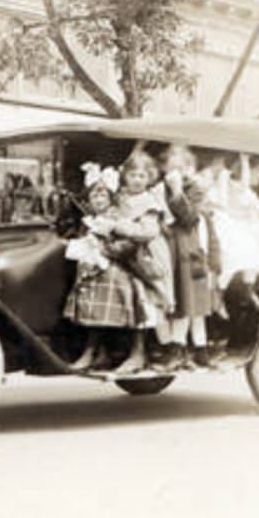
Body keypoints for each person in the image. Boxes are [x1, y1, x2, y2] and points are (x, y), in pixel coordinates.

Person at [63, 164, 135, 370]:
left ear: (111, 198)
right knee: (85, 287)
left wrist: (105, 250)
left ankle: (91, 350)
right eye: (94, 196)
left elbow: (126, 244)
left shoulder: (115, 218)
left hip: (111, 264)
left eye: (103, 195)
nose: (98, 199)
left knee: (106, 284)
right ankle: (99, 351)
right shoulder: (88, 219)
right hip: (90, 265)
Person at [111, 149, 176, 374]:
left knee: (145, 294)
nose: (137, 180)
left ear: (149, 178)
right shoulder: (121, 198)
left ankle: (143, 351)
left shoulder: (149, 201)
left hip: (148, 255)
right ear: (125, 176)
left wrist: (121, 227)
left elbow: (148, 231)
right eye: (133, 175)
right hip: (127, 252)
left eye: (142, 176)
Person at [158, 144, 222, 369]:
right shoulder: (159, 189)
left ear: (188, 169)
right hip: (167, 246)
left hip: (188, 249)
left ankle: (182, 349)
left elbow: (189, 218)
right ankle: (191, 348)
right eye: (170, 166)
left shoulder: (194, 190)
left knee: (188, 300)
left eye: (180, 166)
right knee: (178, 300)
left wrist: (176, 192)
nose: (174, 171)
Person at [203, 152, 259, 312]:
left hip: (246, 230)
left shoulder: (249, 192)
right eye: (258, 171)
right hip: (233, 228)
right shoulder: (230, 183)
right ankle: (237, 294)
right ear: (247, 170)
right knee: (248, 251)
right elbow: (242, 187)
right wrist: (245, 161)